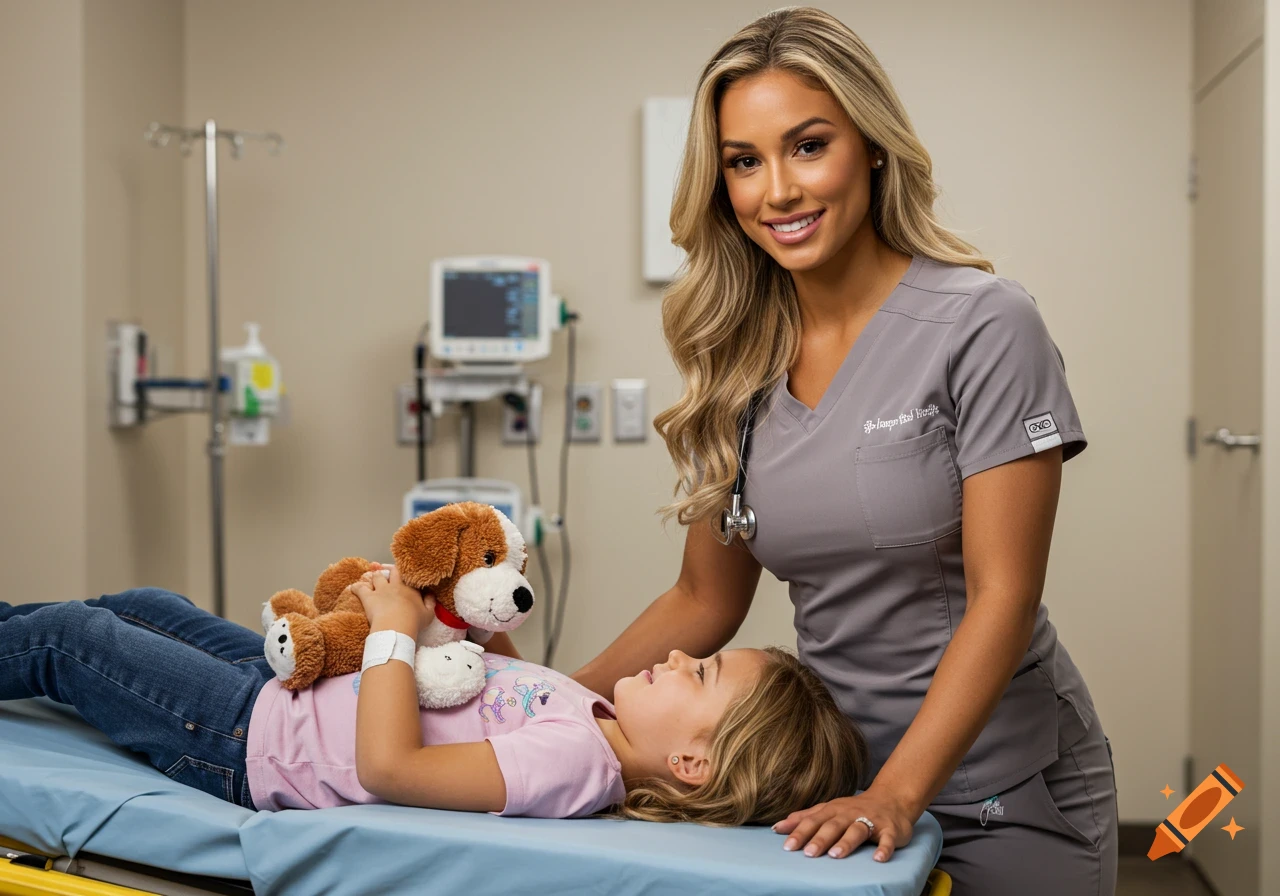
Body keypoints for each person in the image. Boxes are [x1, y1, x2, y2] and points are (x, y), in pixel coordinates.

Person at [571, 7, 1117, 893]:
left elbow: (1006, 595)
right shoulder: (739, 360)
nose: (776, 190)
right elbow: (704, 597)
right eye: (744, 162)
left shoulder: (981, 325)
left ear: (870, 144)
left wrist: (900, 793)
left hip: (996, 791)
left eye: (807, 145)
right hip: (826, 794)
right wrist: (557, 703)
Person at [0, 572, 864, 825]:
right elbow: (492, 687)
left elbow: (389, 765)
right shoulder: (594, 719)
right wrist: (475, 608)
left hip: (246, 742)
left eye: (702, 675)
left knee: (72, 644)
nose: (681, 655)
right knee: (148, 607)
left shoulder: (575, 771)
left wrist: (393, 631)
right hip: (286, 691)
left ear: (691, 760)